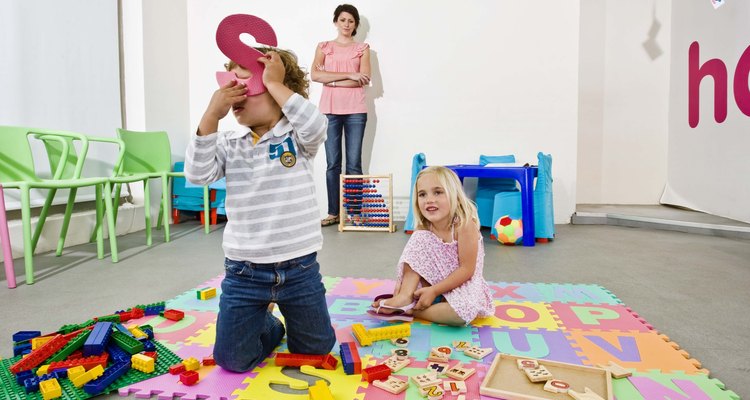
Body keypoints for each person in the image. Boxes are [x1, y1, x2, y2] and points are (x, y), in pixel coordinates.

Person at [184, 47, 336, 372]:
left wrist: (278, 84)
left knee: (316, 352)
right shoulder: (227, 141)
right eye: (229, 83)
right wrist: (211, 115)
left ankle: (275, 318)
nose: (234, 91)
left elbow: (318, 123)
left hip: (300, 269)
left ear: (277, 90)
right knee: (232, 360)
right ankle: (269, 324)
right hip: (244, 272)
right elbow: (197, 174)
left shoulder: (298, 136)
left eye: (246, 82)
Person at [370, 166, 494, 326]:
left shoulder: (464, 225)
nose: (429, 199)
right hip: (433, 280)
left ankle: (411, 310)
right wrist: (402, 291)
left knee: (462, 313)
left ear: (454, 195)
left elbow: (467, 270)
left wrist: (434, 291)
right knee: (419, 237)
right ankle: (405, 298)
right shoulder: (424, 229)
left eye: (438, 192)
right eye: (422, 194)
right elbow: (412, 261)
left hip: (463, 282)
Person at [311, 4, 371, 226]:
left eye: (351, 21)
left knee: (354, 163)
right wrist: (349, 75)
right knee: (332, 163)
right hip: (329, 110)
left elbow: (364, 77)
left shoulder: (362, 48)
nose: (346, 24)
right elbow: (315, 75)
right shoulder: (324, 47)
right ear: (336, 21)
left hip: (356, 109)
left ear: (355, 25)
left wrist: (332, 79)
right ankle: (333, 213)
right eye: (343, 20)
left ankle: (354, 213)